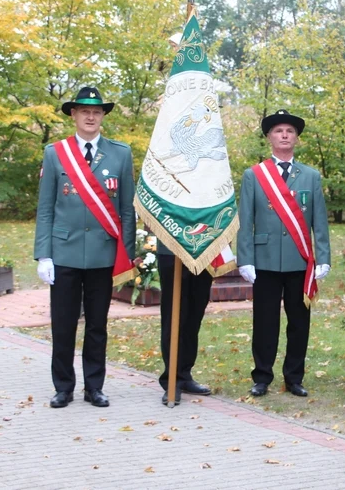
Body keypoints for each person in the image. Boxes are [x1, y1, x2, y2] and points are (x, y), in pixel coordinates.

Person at [34, 86, 137, 409]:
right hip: (64, 252)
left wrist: (127, 253)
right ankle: (63, 386)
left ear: (103, 116)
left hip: (103, 253)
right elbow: (46, 208)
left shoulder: (120, 153)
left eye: (96, 111)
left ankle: (94, 387)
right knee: (63, 324)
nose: (90, 116)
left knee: (97, 325)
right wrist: (44, 254)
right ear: (74, 115)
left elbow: (126, 210)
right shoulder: (56, 153)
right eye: (84, 111)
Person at [237, 109, 331, 398]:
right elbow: (245, 220)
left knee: (299, 322)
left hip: (298, 260)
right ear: (269, 137)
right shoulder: (254, 175)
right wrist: (245, 259)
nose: (285, 135)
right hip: (264, 260)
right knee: (265, 322)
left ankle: (294, 377)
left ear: (297, 138)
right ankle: (262, 377)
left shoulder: (311, 176)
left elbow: (320, 219)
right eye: (278, 131)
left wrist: (323, 257)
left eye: (290, 131)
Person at [156, 240, 214, 406]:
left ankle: (185, 374)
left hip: (203, 247)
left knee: (194, 315)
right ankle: (171, 379)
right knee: (173, 315)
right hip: (172, 246)